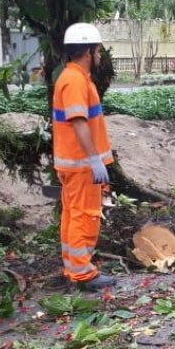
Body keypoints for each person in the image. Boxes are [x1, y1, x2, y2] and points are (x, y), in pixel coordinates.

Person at [52, 23, 117, 290]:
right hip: (80, 165)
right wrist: (94, 160)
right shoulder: (76, 80)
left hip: (72, 162)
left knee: (71, 215)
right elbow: (78, 122)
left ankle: (73, 267)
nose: (100, 56)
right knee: (84, 215)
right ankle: (82, 273)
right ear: (88, 51)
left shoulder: (71, 77)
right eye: (98, 50)